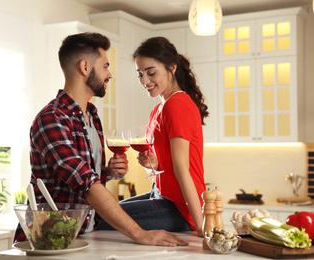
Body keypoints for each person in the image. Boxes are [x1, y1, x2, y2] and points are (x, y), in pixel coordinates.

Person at [13, 32, 188, 247]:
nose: (110, 74)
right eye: (105, 66)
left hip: (85, 233)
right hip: (50, 238)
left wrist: (107, 172)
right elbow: (86, 184)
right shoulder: (52, 119)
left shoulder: (91, 115)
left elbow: (81, 175)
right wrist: (140, 234)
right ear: (85, 67)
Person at [97, 36, 208, 237]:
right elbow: (169, 164)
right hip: (161, 196)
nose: (145, 81)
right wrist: (155, 163)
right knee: (102, 213)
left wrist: (200, 226)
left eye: (151, 73)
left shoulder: (177, 104)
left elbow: (183, 169)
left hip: (180, 208)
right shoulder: (159, 108)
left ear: (172, 68)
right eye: (140, 75)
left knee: (98, 219)